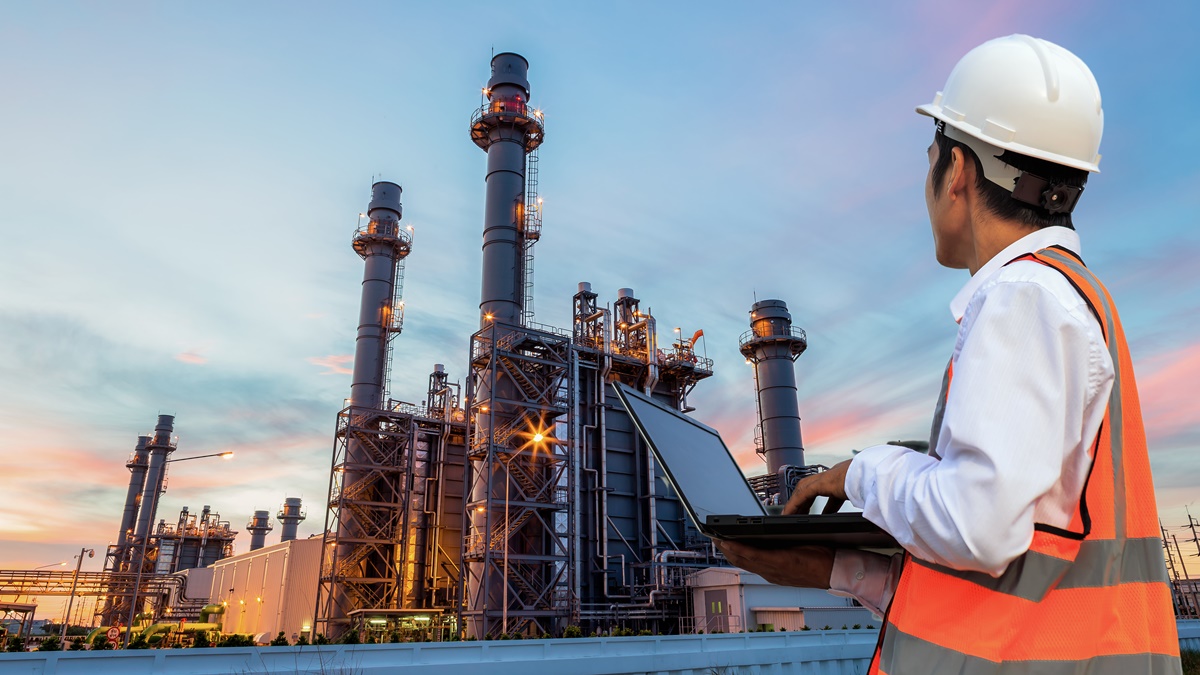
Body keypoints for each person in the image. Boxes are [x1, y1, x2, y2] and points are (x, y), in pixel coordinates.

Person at [716, 35, 1181, 674]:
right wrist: (839, 569)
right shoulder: (1068, 298)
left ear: (957, 169)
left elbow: (977, 529)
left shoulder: (1025, 298)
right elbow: (1005, 589)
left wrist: (861, 473)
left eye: (930, 157)